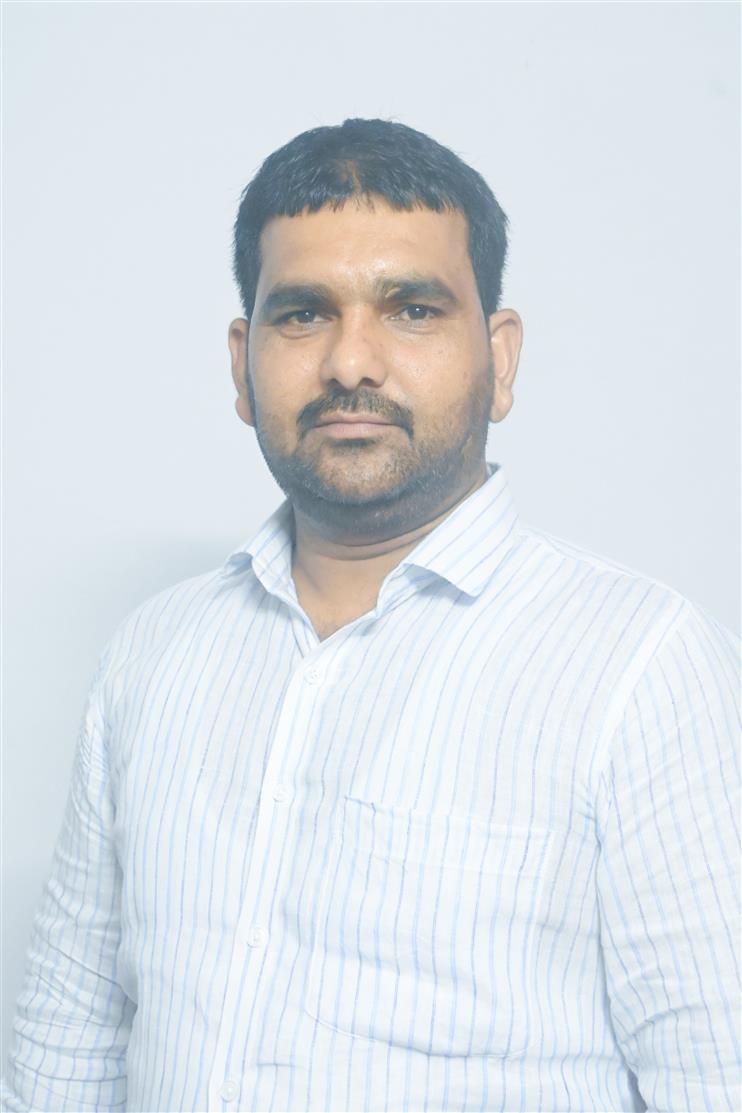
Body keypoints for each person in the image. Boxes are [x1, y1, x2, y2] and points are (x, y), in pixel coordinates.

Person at [2, 118, 739, 1113]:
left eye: (412, 309)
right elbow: (69, 1039)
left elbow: (717, 1074)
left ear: (500, 358)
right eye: (303, 313)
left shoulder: (638, 666)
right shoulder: (153, 653)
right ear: (242, 362)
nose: (351, 362)